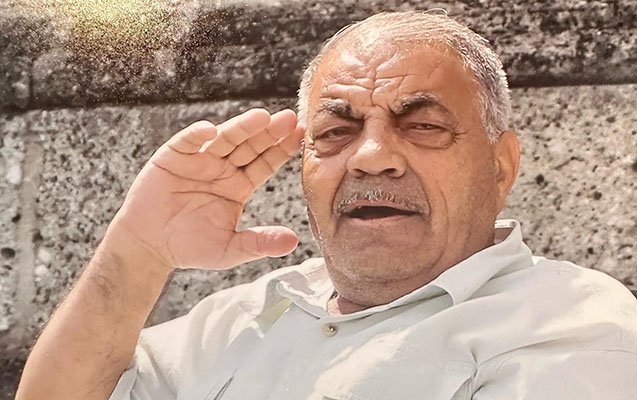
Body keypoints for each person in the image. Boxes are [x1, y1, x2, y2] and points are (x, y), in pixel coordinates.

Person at [15, 10, 637, 400]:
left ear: (500, 166)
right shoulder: (235, 319)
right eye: (336, 132)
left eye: (422, 126)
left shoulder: (568, 322)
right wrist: (138, 252)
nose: (371, 157)